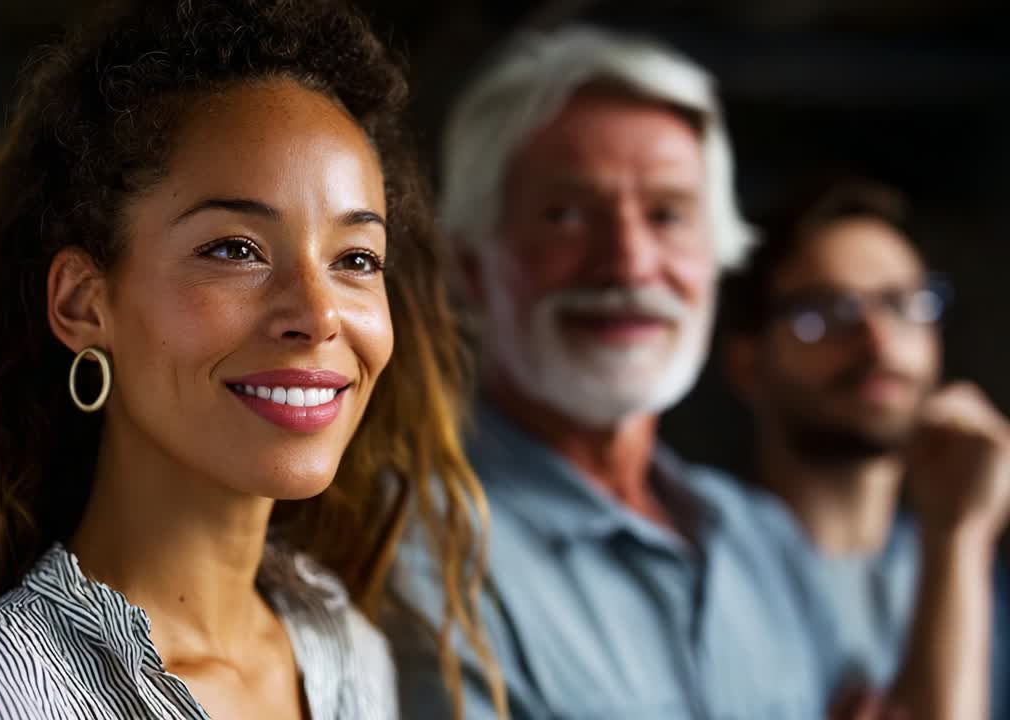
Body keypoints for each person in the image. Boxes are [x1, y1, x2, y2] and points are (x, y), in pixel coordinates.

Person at [0, 1, 499, 718]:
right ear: (83, 304)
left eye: (356, 258)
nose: (320, 315)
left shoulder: (349, 652)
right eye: (235, 250)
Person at [390, 25, 1004, 720]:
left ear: (715, 257)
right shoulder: (415, 554)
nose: (629, 261)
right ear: (470, 267)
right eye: (565, 215)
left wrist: (957, 532)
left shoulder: (760, 539)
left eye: (668, 214)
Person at [720, 177, 1010, 719]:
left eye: (905, 304)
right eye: (824, 313)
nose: (877, 339)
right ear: (748, 363)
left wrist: (958, 536)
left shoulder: (978, 580)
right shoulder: (702, 556)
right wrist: (958, 536)